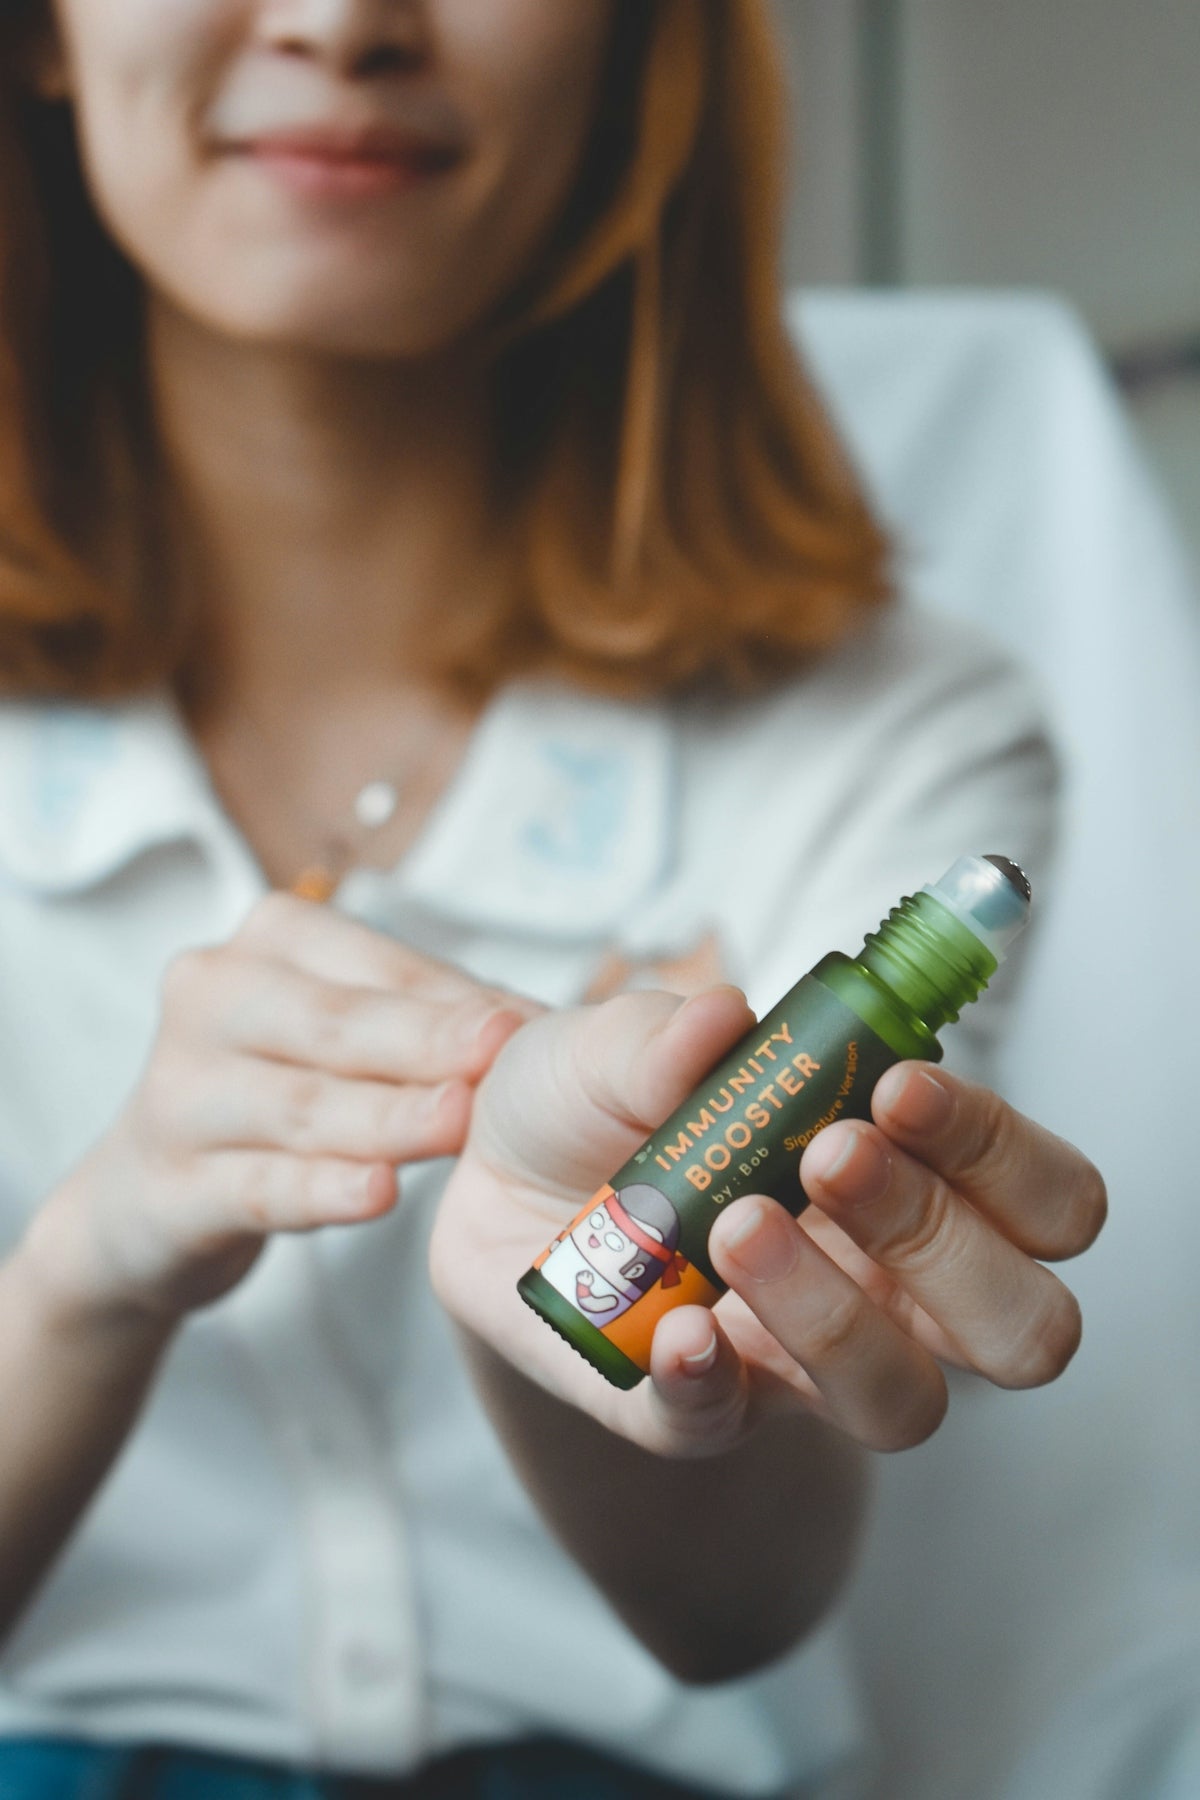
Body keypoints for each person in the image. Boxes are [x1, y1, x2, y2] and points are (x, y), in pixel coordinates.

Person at [0, 2, 1106, 1796]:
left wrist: (553, 1310)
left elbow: (746, 1608)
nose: (343, 23)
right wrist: (82, 1276)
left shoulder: (894, 728)